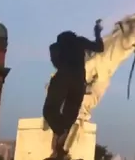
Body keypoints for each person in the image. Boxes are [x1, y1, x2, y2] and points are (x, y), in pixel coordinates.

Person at [43, 19, 104, 160]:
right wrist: (97, 32)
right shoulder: (80, 41)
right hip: (79, 82)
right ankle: (61, 146)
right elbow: (100, 48)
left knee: (50, 109)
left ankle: (60, 133)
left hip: (64, 77)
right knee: (70, 114)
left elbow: (56, 63)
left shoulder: (55, 47)